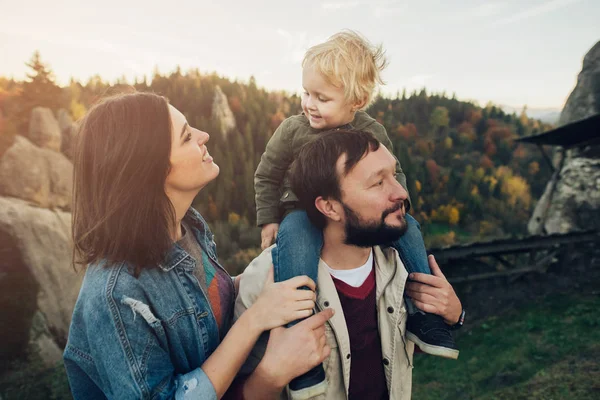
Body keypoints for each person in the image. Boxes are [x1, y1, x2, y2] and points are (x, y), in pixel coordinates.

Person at [63, 92, 333, 400]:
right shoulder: (117, 294)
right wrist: (261, 341)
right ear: (152, 168)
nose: (205, 136)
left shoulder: (187, 228)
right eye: (187, 136)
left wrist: (257, 279)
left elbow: (200, 308)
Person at [254, 30, 459, 396]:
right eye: (306, 93)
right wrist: (269, 218)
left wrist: (396, 207)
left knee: (409, 229)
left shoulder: (370, 131)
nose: (309, 104)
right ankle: (301, 337)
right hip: (302, 211)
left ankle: (425, 314)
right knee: (296, 242)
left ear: (355, 101)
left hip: (358, 219)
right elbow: (267, 174)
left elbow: (392, 175)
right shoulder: (293, 130)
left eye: (322, 97)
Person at [238, 130, 463, 399]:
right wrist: (271, 374)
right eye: (378, 183)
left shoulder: (403, 265)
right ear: (330, 207)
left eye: (394, 175)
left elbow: (413, 346)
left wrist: (454, 314)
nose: (401, 192)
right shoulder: (268, 282)